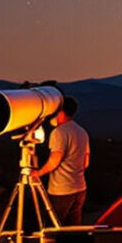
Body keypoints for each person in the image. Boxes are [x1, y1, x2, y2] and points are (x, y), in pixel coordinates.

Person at [34, 95, 90, 226]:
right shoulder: (82, 131)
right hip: (80, 188)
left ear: (60, 111)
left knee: (55, 228)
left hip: (61, 190)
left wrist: (38, 173)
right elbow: (86, 163)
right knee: (73, 229)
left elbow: (55, 161)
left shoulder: (59, 132)